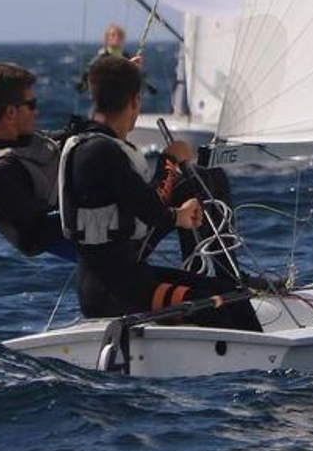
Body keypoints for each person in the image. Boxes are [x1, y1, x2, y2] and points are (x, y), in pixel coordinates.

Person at [60, 54, 260, 332]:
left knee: (228, 294)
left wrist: (119, 76)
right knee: (224, 302)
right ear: (134, 102)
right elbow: (152, 211)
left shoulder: (81, 144)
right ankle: (259, 370)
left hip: (112, 283)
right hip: (119, 293)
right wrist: (169, 160)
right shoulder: (103, 152)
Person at [0, 63, 75, 261]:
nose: (36, 112)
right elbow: (39, 231)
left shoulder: (25, 143)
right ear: (11, 113)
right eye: (31, 105)